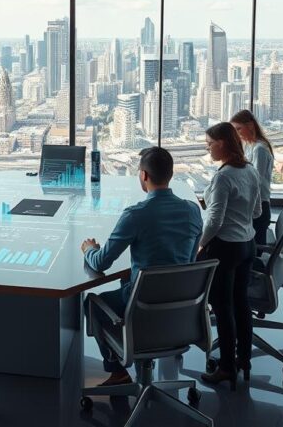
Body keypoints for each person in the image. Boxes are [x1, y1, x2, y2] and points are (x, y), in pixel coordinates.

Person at [80, 147, 203, 387]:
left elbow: (101, 262)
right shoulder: (192, 210)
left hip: (142, 301)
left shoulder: (136, 215)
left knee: (91, 303)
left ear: (144, 176)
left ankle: (117, 371)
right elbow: (190, 261)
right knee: (127, 283)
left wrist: (88, 249)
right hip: (181, 304)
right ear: (170, 174)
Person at [198, 122, 262, 389]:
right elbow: (257, 211)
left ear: (222, 143)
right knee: (241, 303)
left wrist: (200, 246)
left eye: (209, 144)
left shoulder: (224, 177)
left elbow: (214, 220)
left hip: (226, 247)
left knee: (222, 307)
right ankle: (243, 360)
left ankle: (226, 367)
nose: (208, 149)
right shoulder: (250, 170)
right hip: (248, 244)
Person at [231, 109, 274, 245]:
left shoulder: (259, 149)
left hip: (259, 209)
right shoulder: (250, 146)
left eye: (239, 129)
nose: (237, 134)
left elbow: (255, 181)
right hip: (255, 205)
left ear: (250, 126)